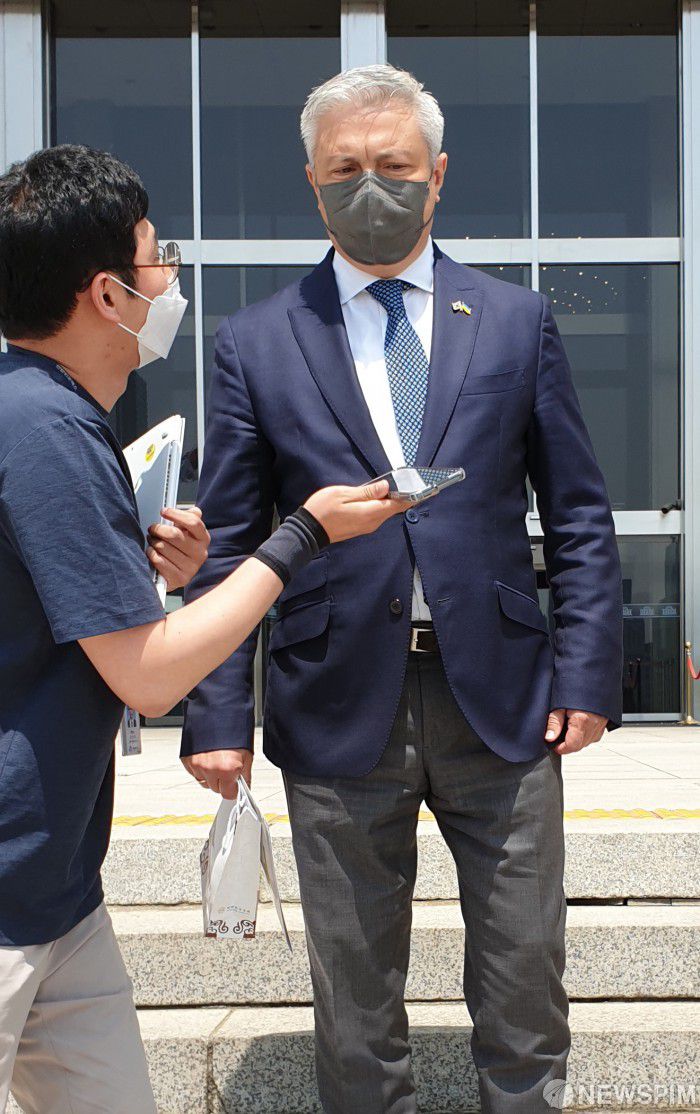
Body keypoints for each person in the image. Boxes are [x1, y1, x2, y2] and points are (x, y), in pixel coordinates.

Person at [181, 64, 624, 1113]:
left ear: (438, 175)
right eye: (344, 169)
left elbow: (576, 511)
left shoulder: (515, 320)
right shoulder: (255, 340)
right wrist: (216, 715)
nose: (369, 186)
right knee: (353, 991)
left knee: (524, 970)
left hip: (502, 700)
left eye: (392, 164)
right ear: (311, 181)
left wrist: (588, 675)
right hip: (334, 697)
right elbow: (230, 538)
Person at [0, 143, 408, 1114]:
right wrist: (303, 535)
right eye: (159, 257)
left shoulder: (46, 412)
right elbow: (148, 678)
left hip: (55, 888)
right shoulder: (43, 429)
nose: (171, 278)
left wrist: (156, 574)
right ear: (107, 294)